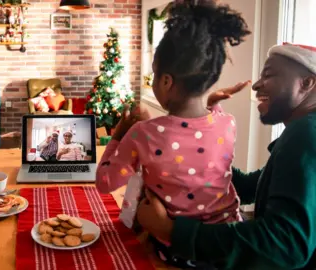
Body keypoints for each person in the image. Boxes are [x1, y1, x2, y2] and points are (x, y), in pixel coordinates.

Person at [95, 1, 250, 268]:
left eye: (154, 75)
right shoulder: (227, 123)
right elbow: (195, 132)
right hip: (224, 247)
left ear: (166, 81)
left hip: (174, 251)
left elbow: (105, 182)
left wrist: (119, 135)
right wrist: (210, 103)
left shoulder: (142, 134)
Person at [137, 42, 316, 270]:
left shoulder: (306, 135)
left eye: (269, 75)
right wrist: (196, 147)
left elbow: (285, 244)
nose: (257, 85)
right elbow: (254, 186)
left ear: (307, 83)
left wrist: (170, 231)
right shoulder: (303, 131)